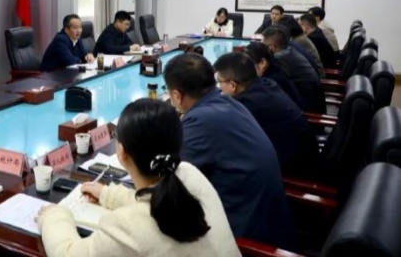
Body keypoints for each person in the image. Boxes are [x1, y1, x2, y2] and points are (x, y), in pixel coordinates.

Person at [37, 99, 240, 257]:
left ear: (122, 152)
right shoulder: (190, 174)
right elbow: (157, 201)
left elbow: (69, 253)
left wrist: (55, 215)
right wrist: (107, 194)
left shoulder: (127, 226)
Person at [163, 54, 294, 248]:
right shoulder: (230, 103)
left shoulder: (201, 121)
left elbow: (168, 179)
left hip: (246, 239)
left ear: (176, 95)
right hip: (269, 221)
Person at [214, 53, 319, 179]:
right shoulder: (266, 84)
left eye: (219, 82)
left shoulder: (247, 105)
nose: (219, 87)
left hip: (294, 172)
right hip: (304, 156)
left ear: (232, 86)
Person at [262, 26, 327, 114]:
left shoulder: (279, 60)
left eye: (263, 45)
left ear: (271, 47)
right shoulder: (290, 51)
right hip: (314, 102)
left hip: (308, 110)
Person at [244, 42, 304, 110]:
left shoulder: (271, 81)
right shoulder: (275, 68)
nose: (247, 70)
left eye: (249, 66)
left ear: (263, 63)